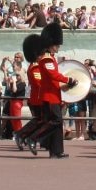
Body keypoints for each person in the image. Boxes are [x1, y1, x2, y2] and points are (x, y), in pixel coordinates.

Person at [25, 22, 75, 158]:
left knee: (57, 125)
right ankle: (33, 138)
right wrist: (68, 80)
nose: (58, 47)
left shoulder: (50, 58)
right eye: (57, 44)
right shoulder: (46, 59)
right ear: (51, 44)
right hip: (49, 96)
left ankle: (56, 151)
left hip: (54, 95)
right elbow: (53, 75)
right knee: (56, 121)